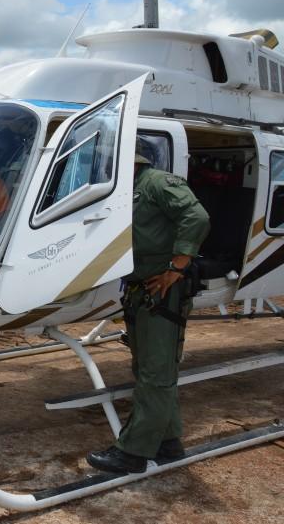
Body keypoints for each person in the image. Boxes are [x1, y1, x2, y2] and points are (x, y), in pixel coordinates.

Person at [86, 152, 210, 473]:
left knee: (156, 373)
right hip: (141, 291)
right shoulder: (126, 190)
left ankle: (133, 452)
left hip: (164, 293)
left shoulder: (156, 183)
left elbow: (196, 217)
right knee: (148, 370)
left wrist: (177, 267)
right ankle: (168, 442)